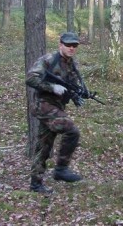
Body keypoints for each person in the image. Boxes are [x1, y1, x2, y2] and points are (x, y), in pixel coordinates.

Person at [26, 32, 86, 193]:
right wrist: (52, 87)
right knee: (72, 131)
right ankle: (61, 169)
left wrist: (77, 96)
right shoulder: (49, 60)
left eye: (74, 46)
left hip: (57, 107)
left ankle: (36, 184)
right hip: (43, 105)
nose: (71, 48)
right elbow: (31, 78)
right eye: (68, 45)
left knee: (44, 146)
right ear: (60, 45)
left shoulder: (72, 65)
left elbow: (71, 87)